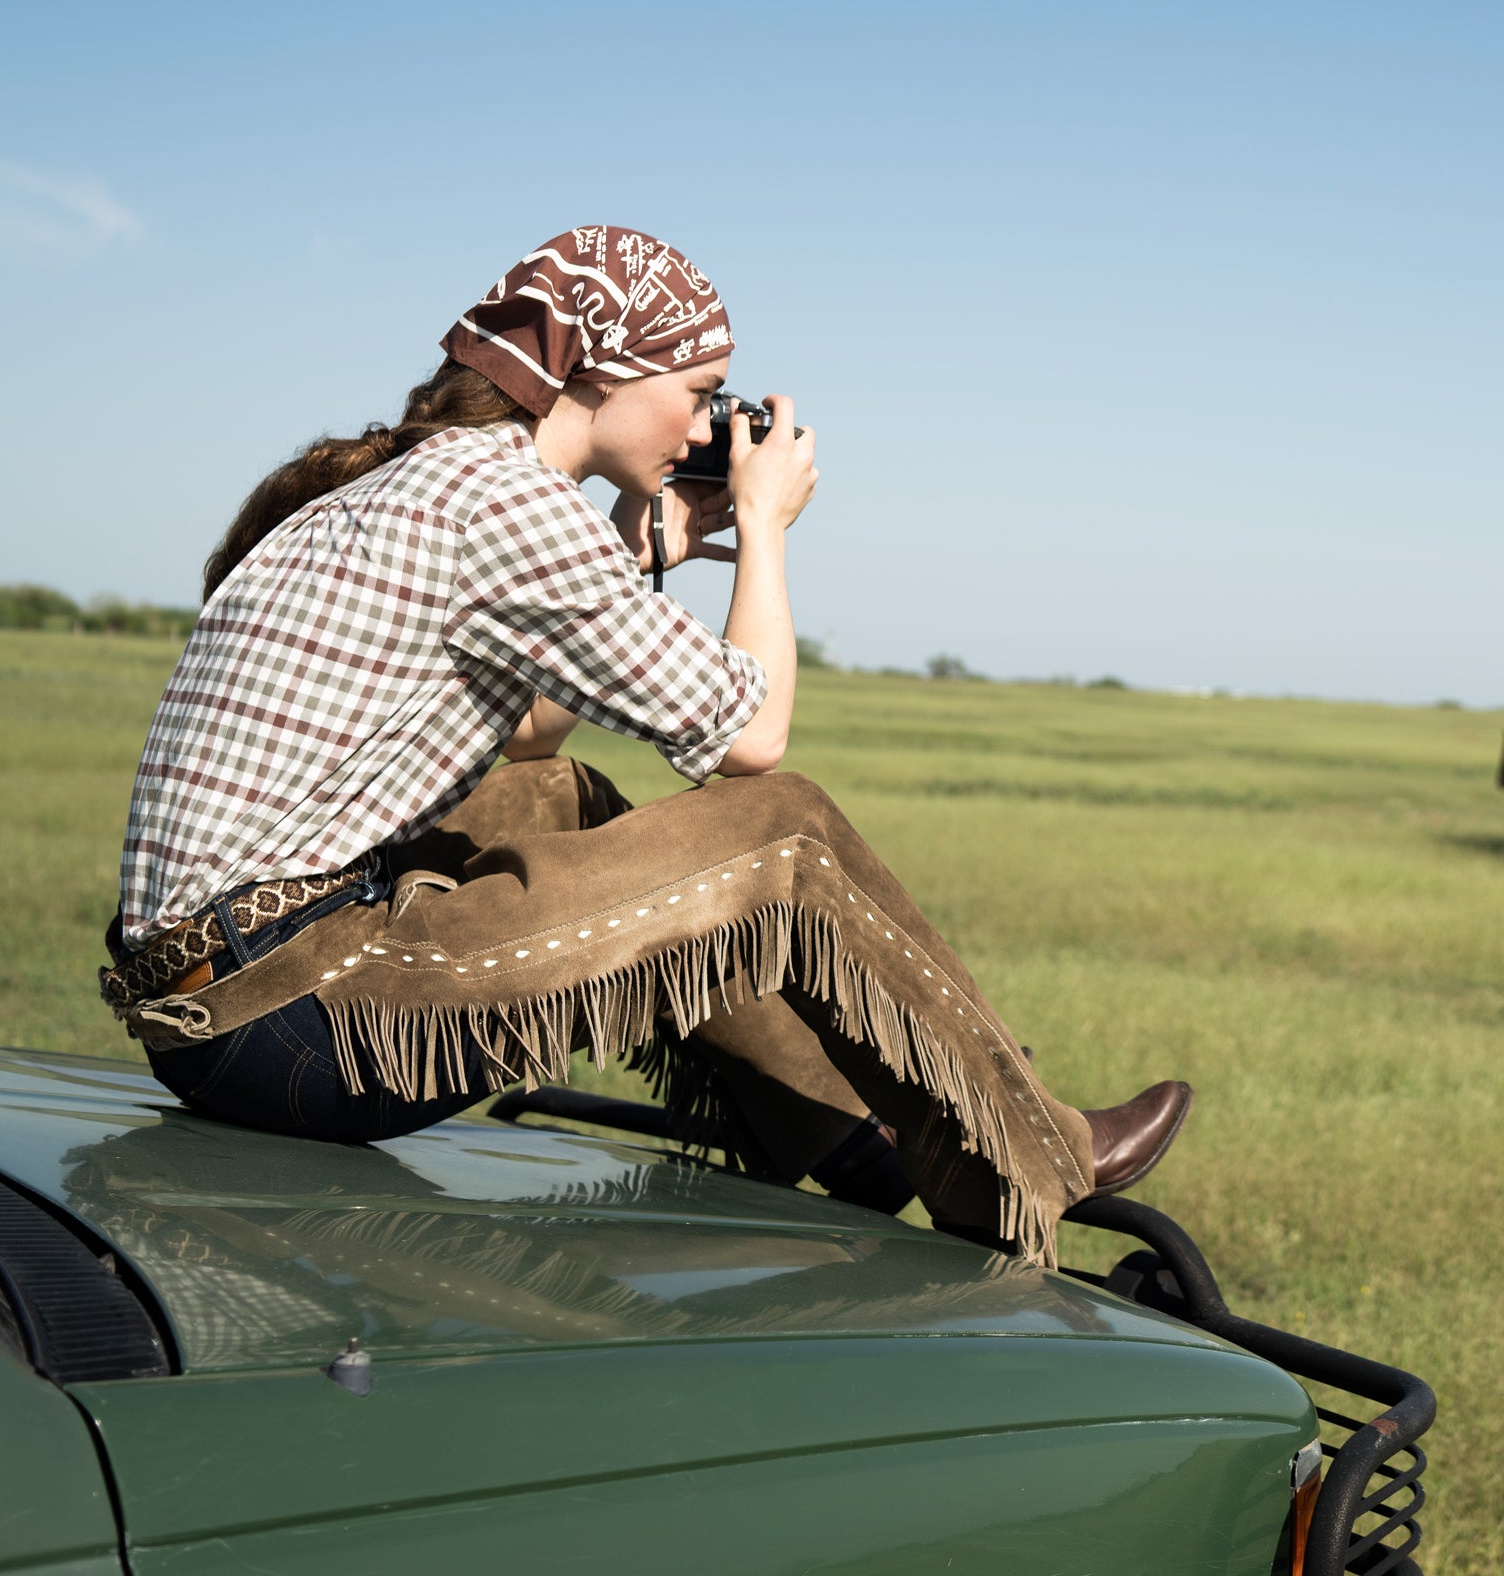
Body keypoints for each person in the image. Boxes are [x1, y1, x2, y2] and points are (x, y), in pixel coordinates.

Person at [103, 226, 1191, 1264]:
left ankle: (836, 1132)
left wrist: (637, 549)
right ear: (601, 370)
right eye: (697, 389)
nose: (699, 422)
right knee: (786, 827)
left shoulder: (432, 478)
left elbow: (525, 732)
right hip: (293, 1014)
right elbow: (751, 739)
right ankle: (1029, 1151)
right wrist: (762, 526)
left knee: (556, 791)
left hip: (216, 1009)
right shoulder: (506, 500)